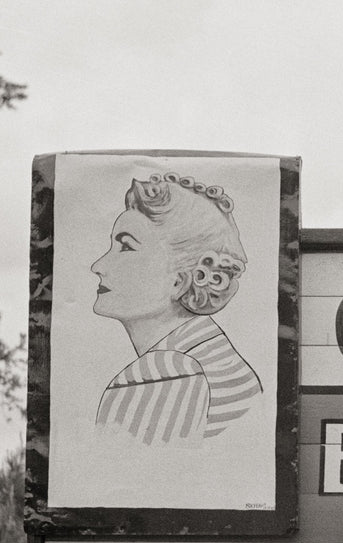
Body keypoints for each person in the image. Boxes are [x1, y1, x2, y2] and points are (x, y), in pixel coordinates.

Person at [90, 171, 262, 445]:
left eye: (126, 247)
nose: (98, 266)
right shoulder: (213, 356)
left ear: (179, 281)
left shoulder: (162, 375)